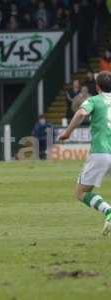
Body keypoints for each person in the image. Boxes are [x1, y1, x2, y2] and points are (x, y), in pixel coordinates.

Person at [59, 71, 111, 235]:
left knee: (81, 192)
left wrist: (67, 132)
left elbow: (81, 113)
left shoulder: (94, 100)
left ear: (97, 87)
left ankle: (108, 212)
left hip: (101, 152)